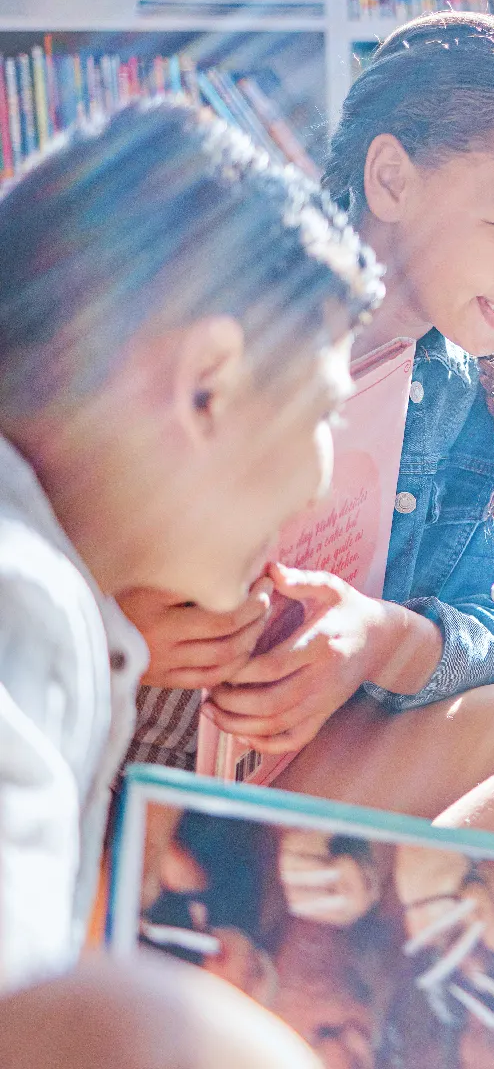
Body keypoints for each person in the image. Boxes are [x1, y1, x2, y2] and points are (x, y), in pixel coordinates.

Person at [124, 12, 494, 877]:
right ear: (392, 179)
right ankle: (256, 909)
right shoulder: (194, 316)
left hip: (314, 760)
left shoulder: (490, 385)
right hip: (114, 737)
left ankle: (373, 938)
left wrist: (380, 639)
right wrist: (113, 625)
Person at [0, 99, 377, 1067]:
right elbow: (43, 1023)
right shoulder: (23, 602)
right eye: (324, 411)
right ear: (208, 383)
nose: (321, 475)